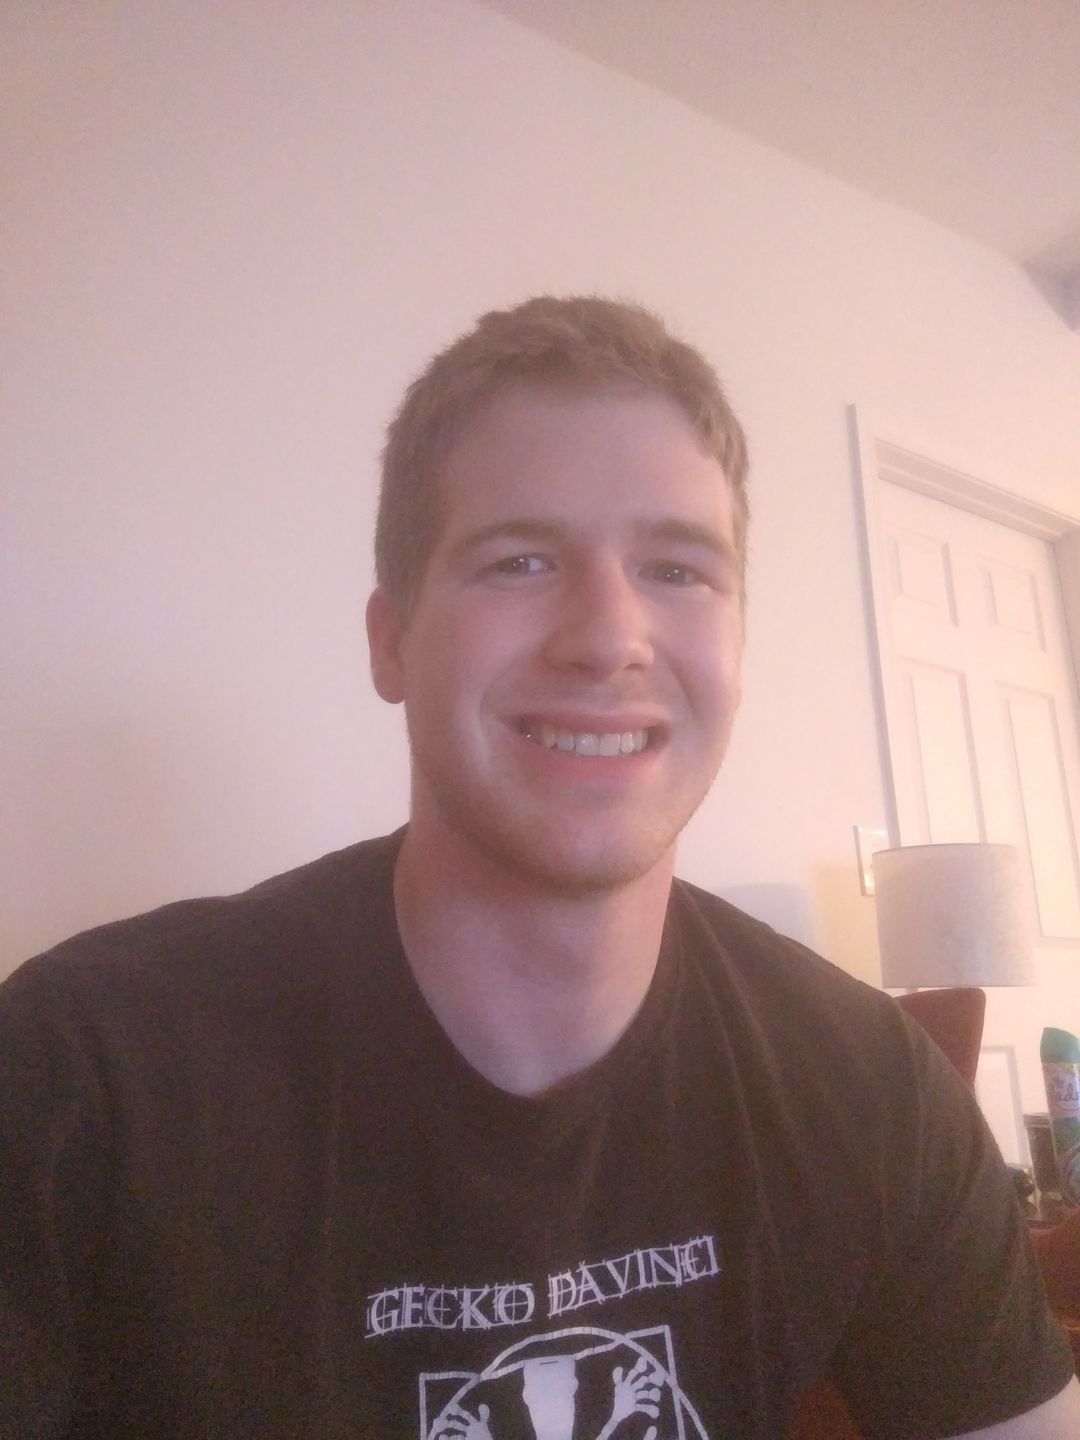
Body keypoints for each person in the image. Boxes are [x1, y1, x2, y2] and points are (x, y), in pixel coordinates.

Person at [2, 296, 1077, 1440]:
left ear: (737, 645)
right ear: (391, 640)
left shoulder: (871, 1091)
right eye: (519, 561)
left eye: (677, 569)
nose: (609, 636)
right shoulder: (80, 1079)